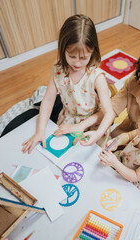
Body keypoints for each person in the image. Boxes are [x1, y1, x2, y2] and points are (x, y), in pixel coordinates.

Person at [22, 14, 114, 154]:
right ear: (62, 48)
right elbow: (47, 100)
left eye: (84, 58)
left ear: (93, 51)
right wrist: (40, 132)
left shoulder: (96, 77)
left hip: (92, 127)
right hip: (67, 121)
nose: (77, 63)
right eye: (71, 56)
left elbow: (109, 112)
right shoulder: (58, 69)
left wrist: (98, 133)